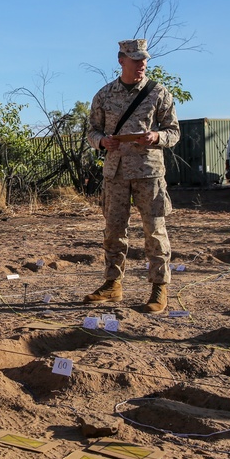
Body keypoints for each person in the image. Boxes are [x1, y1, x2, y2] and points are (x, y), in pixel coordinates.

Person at [84, 38, 180, 313]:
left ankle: (159, 288)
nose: (141, 65)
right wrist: (102, 142)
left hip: (148, 172)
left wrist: (157, 136)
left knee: (155, 230)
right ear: (121, 60)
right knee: (114, 230)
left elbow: (174, 132)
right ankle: (112, 284)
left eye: (144, 60)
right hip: (115, 173)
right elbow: (92, 131)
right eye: (136, 60)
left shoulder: (158, 93)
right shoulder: (104, 95)